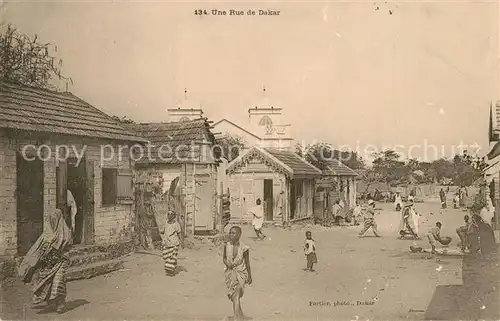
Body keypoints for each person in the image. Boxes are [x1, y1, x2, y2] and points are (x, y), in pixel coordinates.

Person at [18, 209, 73, 313]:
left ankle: (60, 304)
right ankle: (51, 303)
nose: (52, 221)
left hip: (61, 261)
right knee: (47, 283)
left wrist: (61, 253)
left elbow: (68, 248)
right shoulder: (47, 234)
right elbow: (38, 249)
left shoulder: (66, 233)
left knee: (58, 282)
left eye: (54, 219)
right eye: (51, 219)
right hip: (48, 262)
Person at [223, 226, 252, 321]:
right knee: (234, 297)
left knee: (236, 294)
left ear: (239, 235)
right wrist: (227, 263)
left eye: (233, 233)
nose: (230, 235)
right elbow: (224, 258)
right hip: (230, 274)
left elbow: (247, 263)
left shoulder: (244, 248)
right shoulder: (226, 245)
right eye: (230, 232)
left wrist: (250, 276)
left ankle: (236, 318)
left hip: (241, 273)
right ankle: (241, 316)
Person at [160, 207, 183, 277]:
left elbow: (179, 233)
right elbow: (163, 231)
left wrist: (181, 242)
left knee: (172, 257)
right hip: (166, 243)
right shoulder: (165, 223)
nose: (169, 216)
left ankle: (171, 271)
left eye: (171, 214)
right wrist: (161, 232)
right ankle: (171, 266)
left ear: (174, 216)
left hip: (174, 243)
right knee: (166, 256)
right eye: (168, 214)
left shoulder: (176, 224)